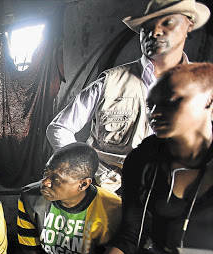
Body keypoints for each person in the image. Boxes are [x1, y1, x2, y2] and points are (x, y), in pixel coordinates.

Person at [68, 63, 213, 254]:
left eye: (172, 101)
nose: (155, 113)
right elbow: (131, 235)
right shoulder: (142, 160)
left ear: (209, 99)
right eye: (151, 104)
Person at [46, 0, 210, 194]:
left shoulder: (204, 88)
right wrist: (96, 171)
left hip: (172, 195)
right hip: (111, 194)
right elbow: (59, 128)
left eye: (167, 22)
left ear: (189, 25)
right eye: (146, 27)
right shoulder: (109, 82)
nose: (155, 32)